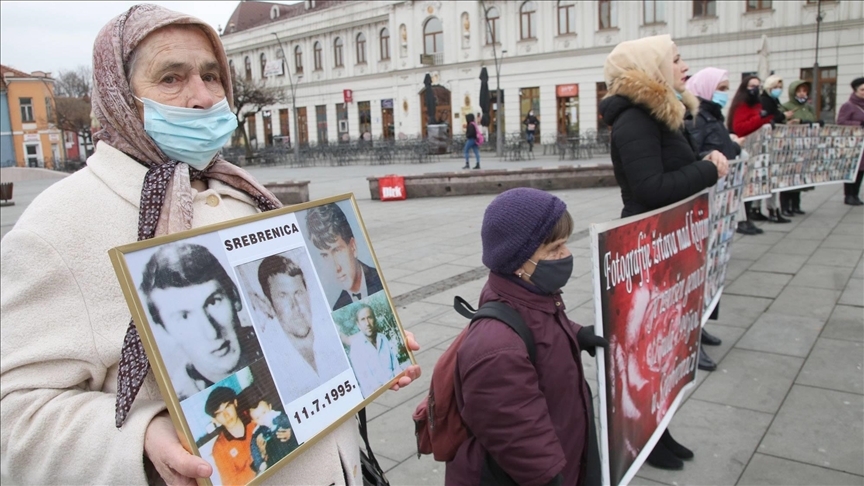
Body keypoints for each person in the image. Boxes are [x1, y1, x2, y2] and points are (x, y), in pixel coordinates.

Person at [0, 5, 420, 484]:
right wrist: (142, 437)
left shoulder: (242, 190)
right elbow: (14, 418)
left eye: (211, 76)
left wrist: (363, 344)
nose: (202, 97)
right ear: (119, 95)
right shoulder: (58, 227)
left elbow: (297, 324)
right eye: (171, 78)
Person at [598, 34, 727, 471]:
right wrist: (707, 170)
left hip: (666, 244)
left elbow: (673, 169)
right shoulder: (636, 119)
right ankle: (646, 439)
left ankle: (661, 432)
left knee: (665, 348)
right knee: (647, 351)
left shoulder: (663, 112)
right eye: (675, 59)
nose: (684, 66)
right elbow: (650, 188)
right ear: (651, 66)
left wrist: (704, 162)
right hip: (645, 248)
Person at [446, 188, 605, 486]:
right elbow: (518, 436)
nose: (566, 255)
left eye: (565, 244)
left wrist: (576, 334)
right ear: (518, 260)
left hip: (566, 451)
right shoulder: (496, 349)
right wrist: (550, 478)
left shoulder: (527, 293)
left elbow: (537, 324)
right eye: (555, 248)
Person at [140, 242, 262, 400]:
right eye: (184, 316)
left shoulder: (281, 341)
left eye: (213, 302)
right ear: (165, 331)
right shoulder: (178, 401)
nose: (212, 332)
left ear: (235, 296)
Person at [257, 254, 352, 401]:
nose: (295, 305)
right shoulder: (272, 359)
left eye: (298, 293)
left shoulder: (334, 333)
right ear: (269, 305)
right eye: (283, 296)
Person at [305, 202, 383, 310]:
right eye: (325, 255)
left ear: (353, 247)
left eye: (337, 251)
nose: (336, 267)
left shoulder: (380, 282)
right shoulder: (338, 307)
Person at [728, 75, 773, 235]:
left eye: (758, 86)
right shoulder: (741, 105)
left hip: (756, 151)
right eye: (752, 86)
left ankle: (748, 218)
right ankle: (742, 221)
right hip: (745, 149)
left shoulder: (757, 104)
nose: (755, 89)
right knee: (744, 186)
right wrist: (760, 118)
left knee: (751, 186)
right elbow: (740, 127)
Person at [348, 304, 405, 397]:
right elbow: (368, 381)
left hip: (397, 387)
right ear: (358, 324)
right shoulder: (356, 348)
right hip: (378, 396)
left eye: (369, 318)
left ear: (374, 319)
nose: (367, 323)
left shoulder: (382, 338)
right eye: (363, 319)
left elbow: (396, 365)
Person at [758, 75, 794, 222]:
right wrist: (783, 116)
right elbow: (768, 119)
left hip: (772, 143)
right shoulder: (765, 101)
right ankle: (771, 209)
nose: (778, 90)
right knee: (768, 176)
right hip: (767, 143)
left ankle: (761, 208)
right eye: (775, 87)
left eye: (780, 87)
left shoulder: (773, 100)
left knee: (767, 177)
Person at [780, 79, 818, 216]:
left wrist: (807, 122)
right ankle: (785, 206)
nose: (802, 94)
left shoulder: (808, 108)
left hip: (804, 146)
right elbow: (782, 122)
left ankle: (796, 205)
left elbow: (813, 120)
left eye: (804, 91)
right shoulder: (786, 106)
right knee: (788, 176)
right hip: (790, 146)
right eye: (799, 91)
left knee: (800, 176)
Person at [205, 387, 257, 485]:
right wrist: (253, 467)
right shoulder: (219, 448)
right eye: (219, 413)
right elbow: (231, 483)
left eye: (227, 407)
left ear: (235, 403)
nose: (226, 415)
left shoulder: (254, 416)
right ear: (215, 420)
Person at [248, 397, 299, 473]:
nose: (263, 418)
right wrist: (260, 462)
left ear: (270, 407)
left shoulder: (279, 416)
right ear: (254, 421)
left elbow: (294, 423)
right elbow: (254, 449)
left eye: (264, 413)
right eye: (258, 418)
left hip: (291, 450)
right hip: (275, 459)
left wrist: (291, 431)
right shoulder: (257, 433)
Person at [837, 76, 864, 205]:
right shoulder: (848, 105)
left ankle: (855, 195)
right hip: (852, 143)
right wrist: (859, 124)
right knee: (852, 168)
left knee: (861, 169)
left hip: (863, 143)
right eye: (862, 90)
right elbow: (841, 122)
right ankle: (848, 195)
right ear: (855, 90)